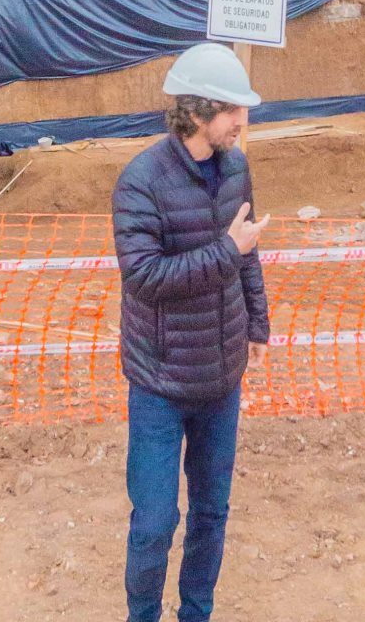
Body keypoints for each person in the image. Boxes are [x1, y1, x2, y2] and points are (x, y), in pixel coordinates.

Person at [113, 44, 270, 622]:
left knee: (212, 512)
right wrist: (228, 248)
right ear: (200, 112)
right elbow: (146, 278)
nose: (242, 122)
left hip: (221, 376)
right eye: (233, 111)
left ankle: (196, 614)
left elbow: (247, 252)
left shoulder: (236, 167)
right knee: (154, 524)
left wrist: (257, 321)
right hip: (159, 379)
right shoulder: (140, 182)